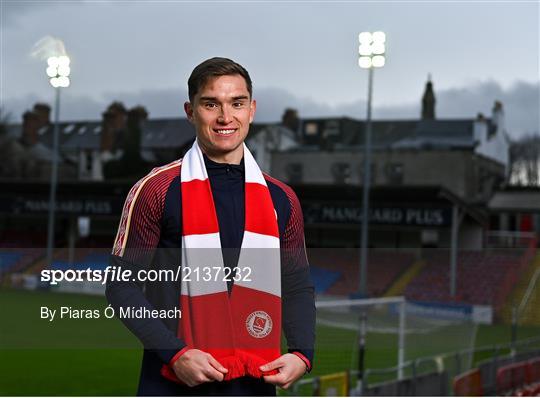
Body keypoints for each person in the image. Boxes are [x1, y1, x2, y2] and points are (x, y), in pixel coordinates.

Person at [106, 57, 316, 396]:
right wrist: (175, 354)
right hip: (174, 381)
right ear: (191, 111)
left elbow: (296, 285)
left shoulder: (282, 199)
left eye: (237, 103)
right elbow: (121, 287)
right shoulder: (157, 189)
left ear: (252, 109)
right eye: (210, 104)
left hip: (254, 382)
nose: (225, 117)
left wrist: (302, 353)